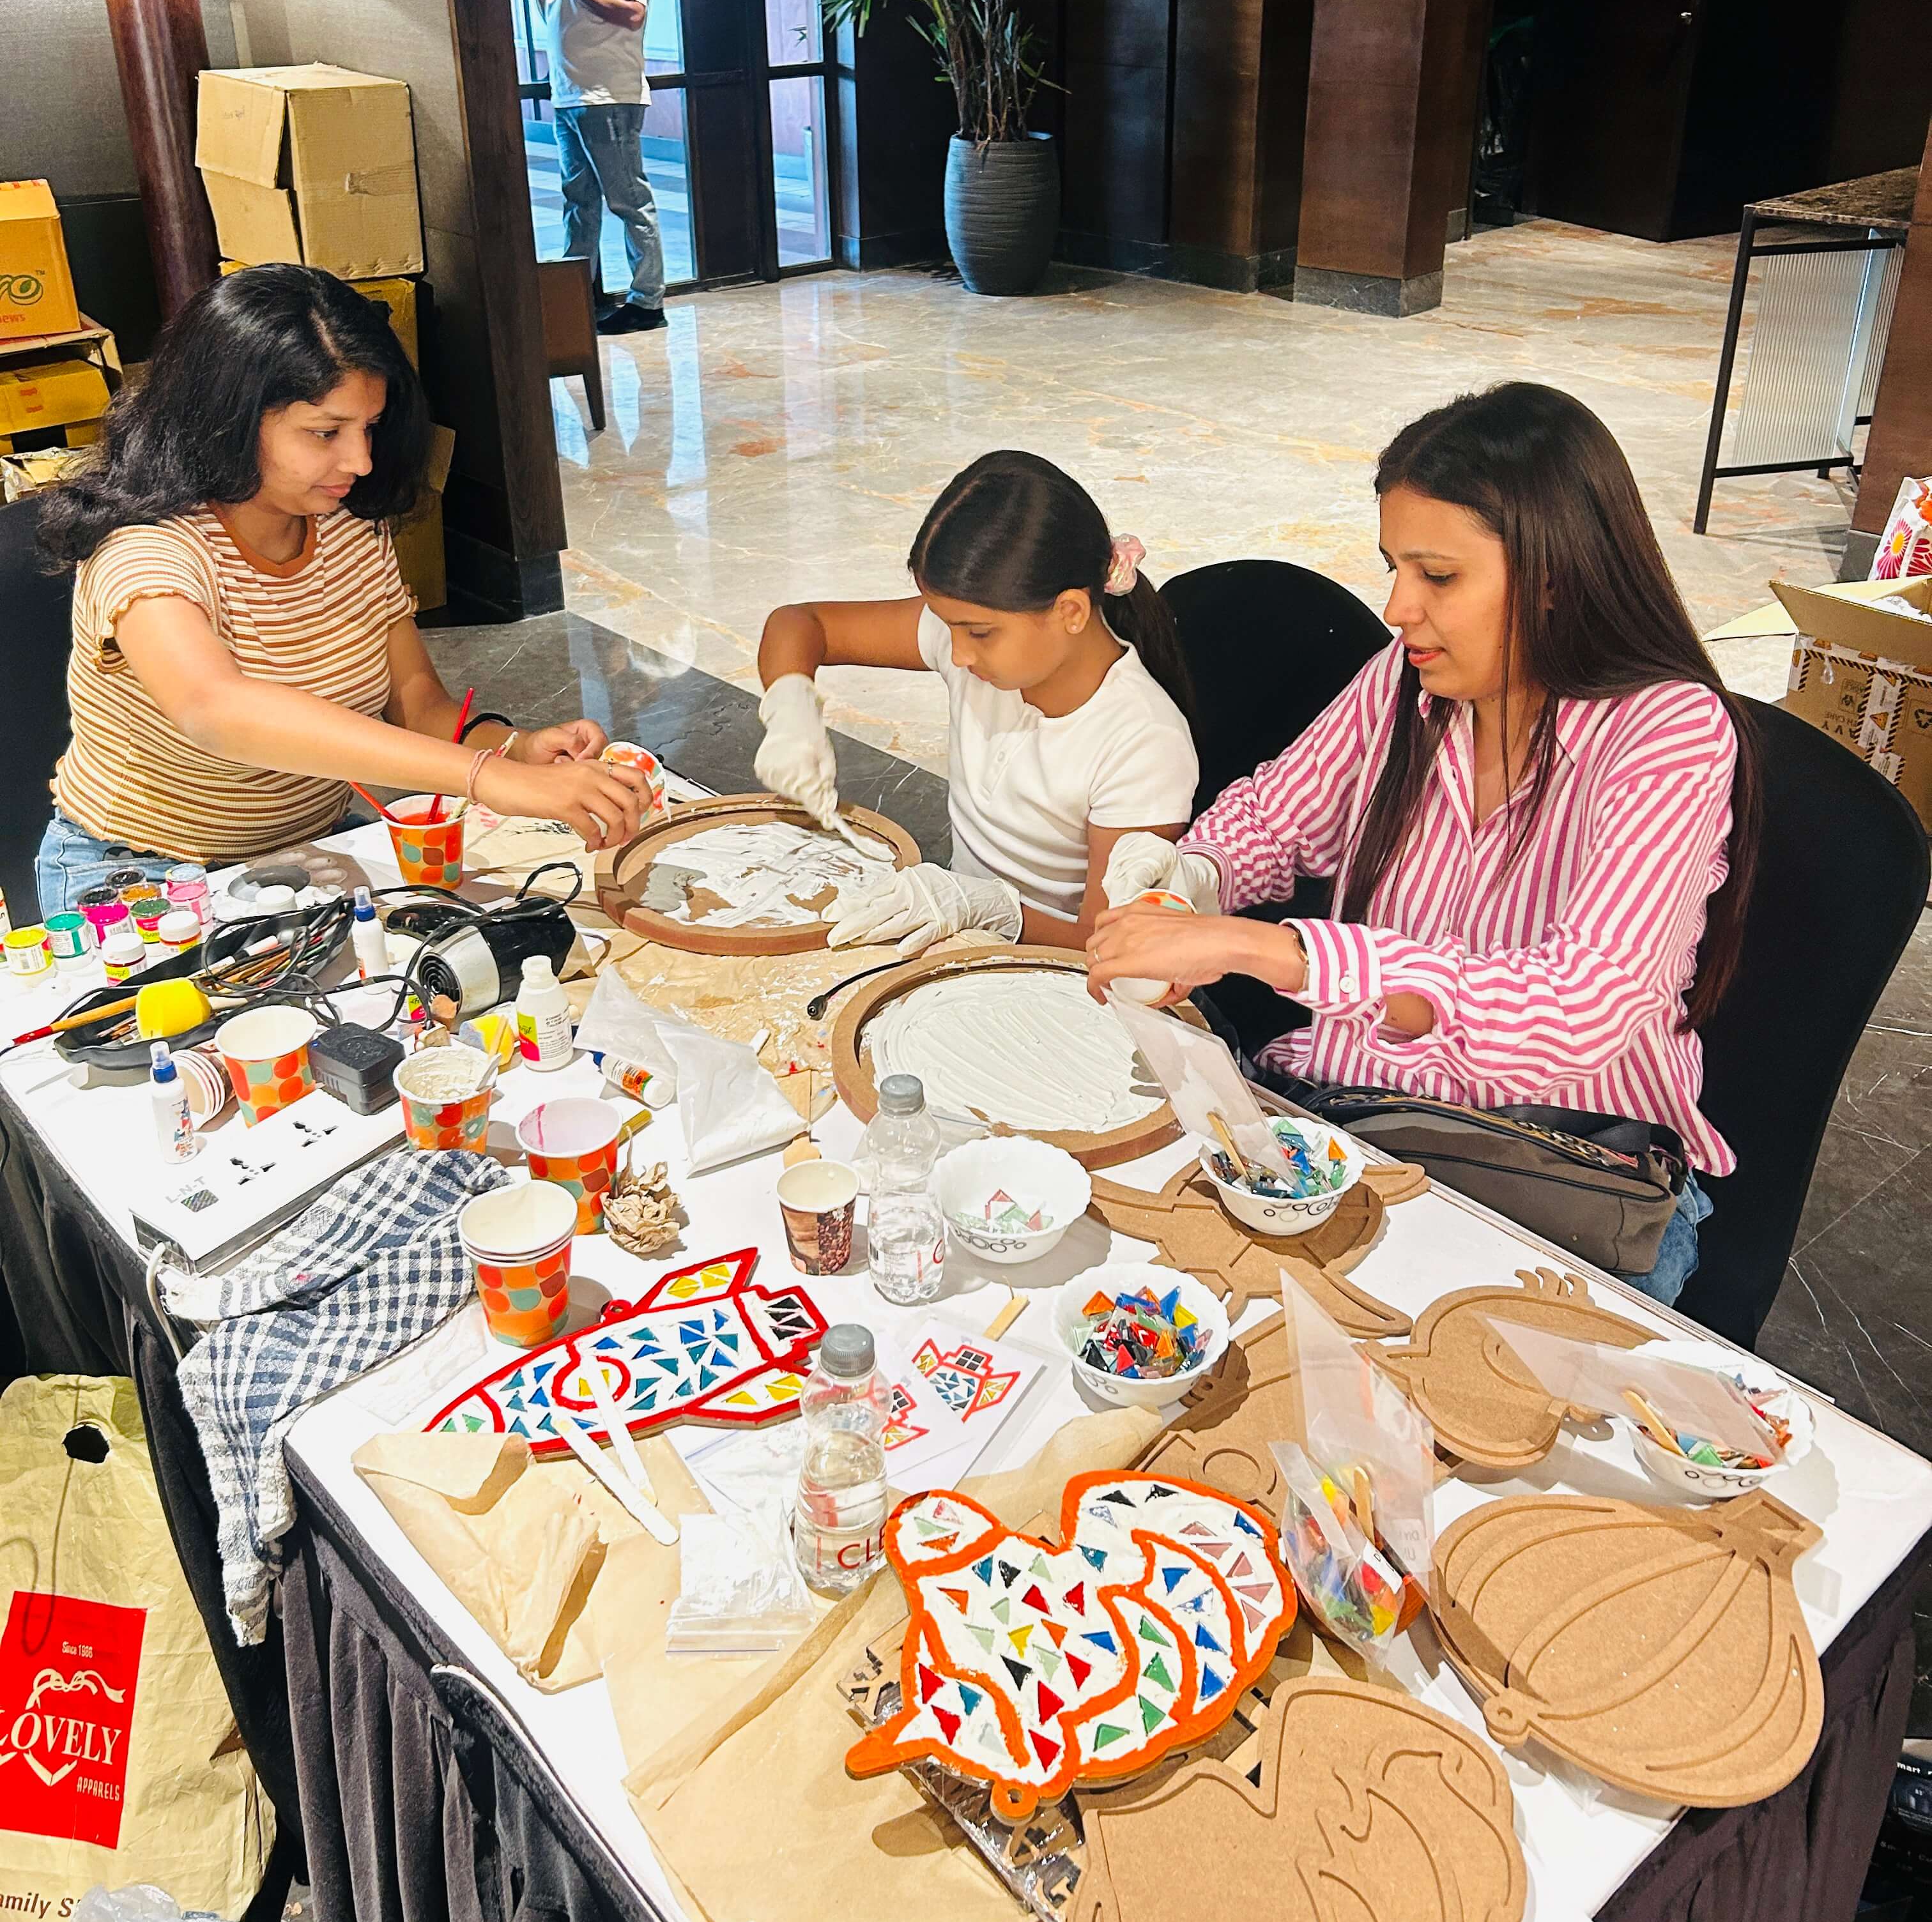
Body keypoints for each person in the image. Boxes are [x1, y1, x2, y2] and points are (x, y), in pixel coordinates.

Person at [1085, 382, 1761, 1308]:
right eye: (1394, 568)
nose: (1399, 607)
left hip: (1552, 1167)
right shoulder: (1406, 687)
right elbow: (1277, 818)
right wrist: (1190, 881)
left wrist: (1264, 947)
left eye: (1437, 577)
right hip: (1361, 1121)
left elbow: (1585, 1006)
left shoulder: (1666, 733)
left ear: (1555, 573)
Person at [35, 266, 648, 915]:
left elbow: (419, 707)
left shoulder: (344, 523)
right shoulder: (147, 547)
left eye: (370, 428)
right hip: (141, 879)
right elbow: (216, 711)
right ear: (227, 418)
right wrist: (489, 779)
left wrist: (515, 748)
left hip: (306, 855)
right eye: (325, 433)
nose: (359, 462)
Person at [753, 451, 1199, 953]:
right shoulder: (974, 641)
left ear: (1070, 611)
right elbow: (801, 623)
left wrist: (992, 909)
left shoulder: (1142, 743)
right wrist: (790, 705)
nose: (958, 653)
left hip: (1050, 974)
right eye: (947, 626)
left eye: (979, 633)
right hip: (951, 932)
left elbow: (1109, 946)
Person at [531, 0, 666, 336]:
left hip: (609, 96)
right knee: (578, 202)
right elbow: (563, 16)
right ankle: (578, 299)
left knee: (629, 199)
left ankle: (647, 302)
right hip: (570, 94)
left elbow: (632, 12)